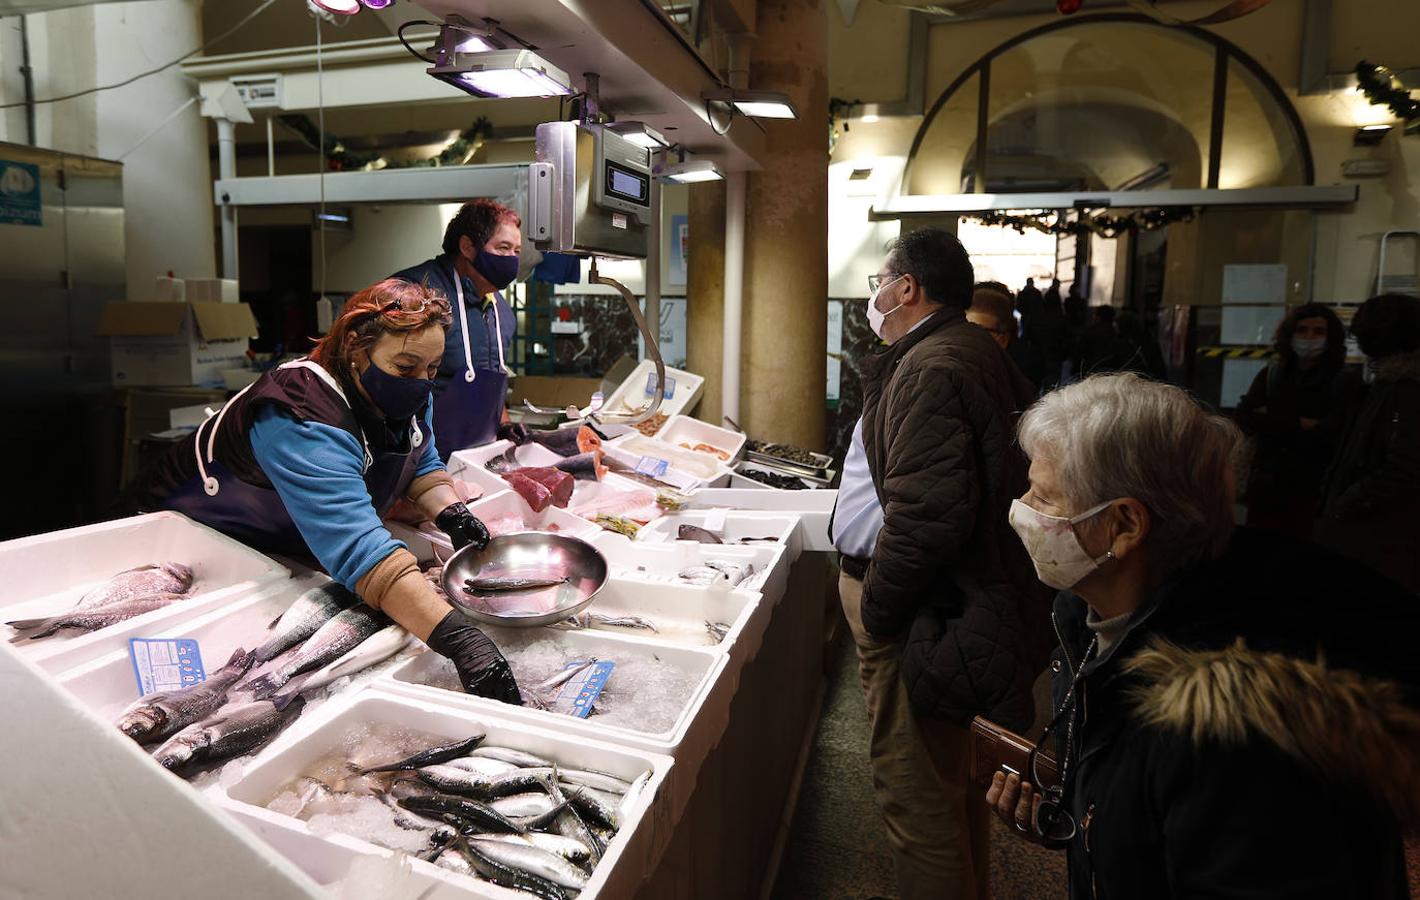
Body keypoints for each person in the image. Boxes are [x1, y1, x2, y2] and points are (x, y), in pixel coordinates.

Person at [987, 373, 1420, 899]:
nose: (1023, 508)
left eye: (1044, 496)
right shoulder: (1092, 624)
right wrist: (1081, 822)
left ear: (1124, 525)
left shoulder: (1236, 728)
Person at [130, 279, 521, 704]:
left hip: (280, 552)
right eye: (406, 367)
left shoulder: (404, 389)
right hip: (178, 548)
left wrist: (450, 513)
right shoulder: (297, 413)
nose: (421, 381)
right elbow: (357, 547)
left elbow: (418, 455)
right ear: (355, 348)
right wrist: (460, 641)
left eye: (432, 369)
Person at [848, 228, 1047, 900]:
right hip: (951, 605)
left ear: (906, 287)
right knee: (951, 789)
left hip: (923, 612)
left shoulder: (933, 365)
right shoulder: (956, 350)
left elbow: (928, 520)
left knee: (919, 802)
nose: (872, 292)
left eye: (881, 277)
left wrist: (877, 611)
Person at [391, 199, 522, 458]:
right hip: (416, 458)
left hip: (474, 455)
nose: (511, 260)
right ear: (467, 247)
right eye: (503, 248)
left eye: (516, 251)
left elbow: (491, 380)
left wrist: (504, 422)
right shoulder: (416, 294)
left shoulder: (501, 311)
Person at [1317, 293, 1420, 592]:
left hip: (1380, 539)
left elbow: (1403, 467)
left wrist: (1345, 502)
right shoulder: (1389, 385)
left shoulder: (1405, 390)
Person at [1234, 303, 1352, 539]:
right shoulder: (1273, 375)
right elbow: (1244, 417)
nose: (1309, 338)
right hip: (1268, 483)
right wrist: (1299, 424)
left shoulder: (1342, 380)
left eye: (1319, 332)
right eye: (1302, 330)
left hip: (1313, 488)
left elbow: (1333, 430)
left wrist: (1271, 419)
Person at [967, 283, 1045, 391]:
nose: (969, 336)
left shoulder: (1022, 367)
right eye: (966, 328)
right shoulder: (960, 358)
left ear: (1003, 337)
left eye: (980, 330)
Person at [1112, 309, 1166, 380]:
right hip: (1147, 381)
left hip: (1126, 382)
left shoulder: (1118, 345)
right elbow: (1159, 367)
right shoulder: (1149, 341)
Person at [1075, 304, 1119, 376]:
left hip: (1092, 370)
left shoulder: (1090, 332)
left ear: (1098, 317)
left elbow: (1080, 352)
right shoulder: (1116, 333)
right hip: (1111, 372)